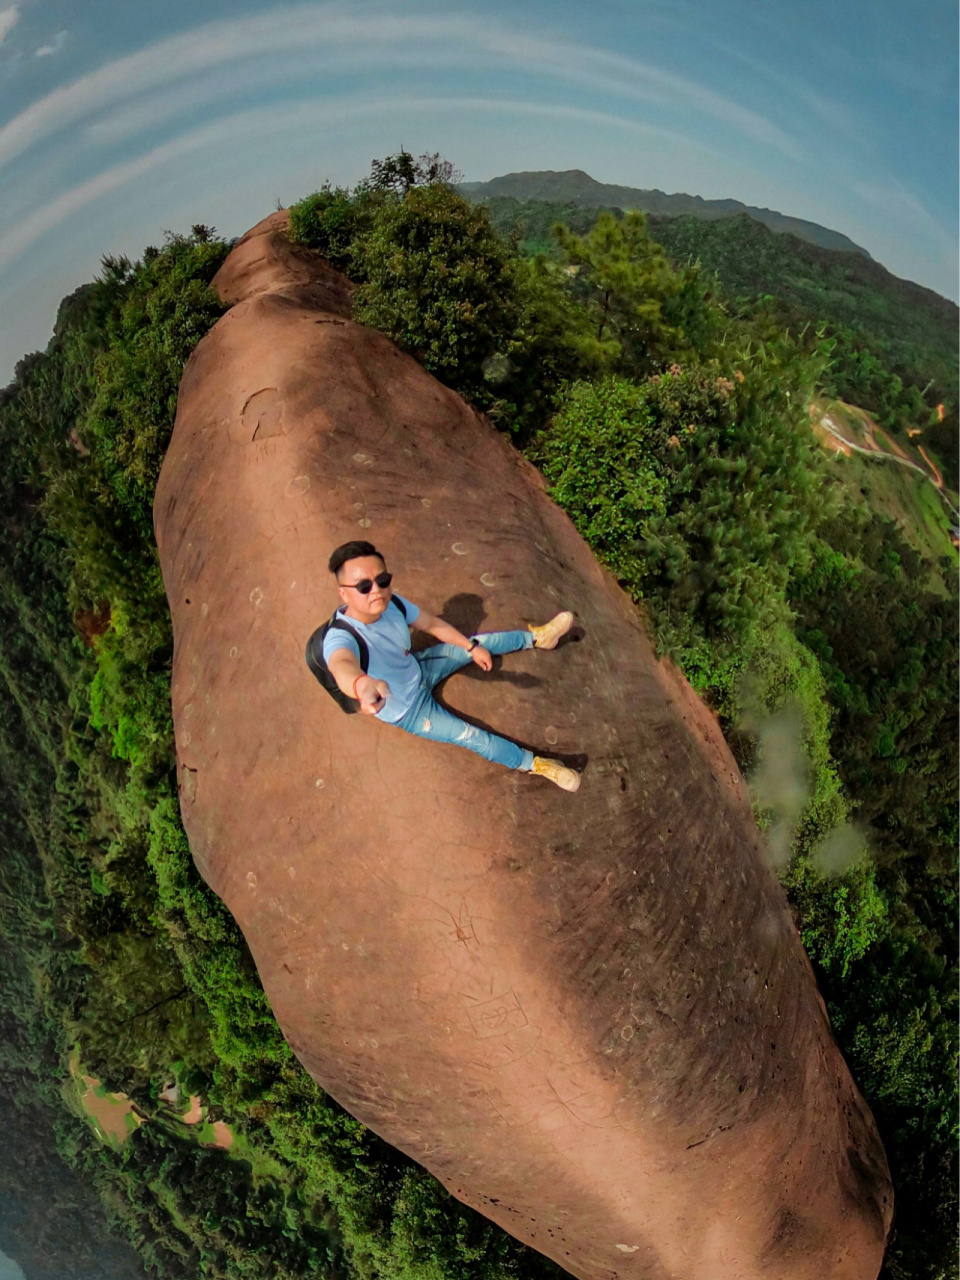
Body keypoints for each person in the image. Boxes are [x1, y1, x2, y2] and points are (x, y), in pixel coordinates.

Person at [322, 541, 581, 791]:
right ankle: (535, 764)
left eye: (382, 580)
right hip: (408, 709)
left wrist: (470, 648)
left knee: (480, 643)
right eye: (363, 586)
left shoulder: (393, 604)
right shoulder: (340, 636)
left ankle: (538, 638)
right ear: (343, 593)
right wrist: (362, 685)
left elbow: (432, 625)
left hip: (418, 667)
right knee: (474, 737)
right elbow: (341, 664)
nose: (376, 590)